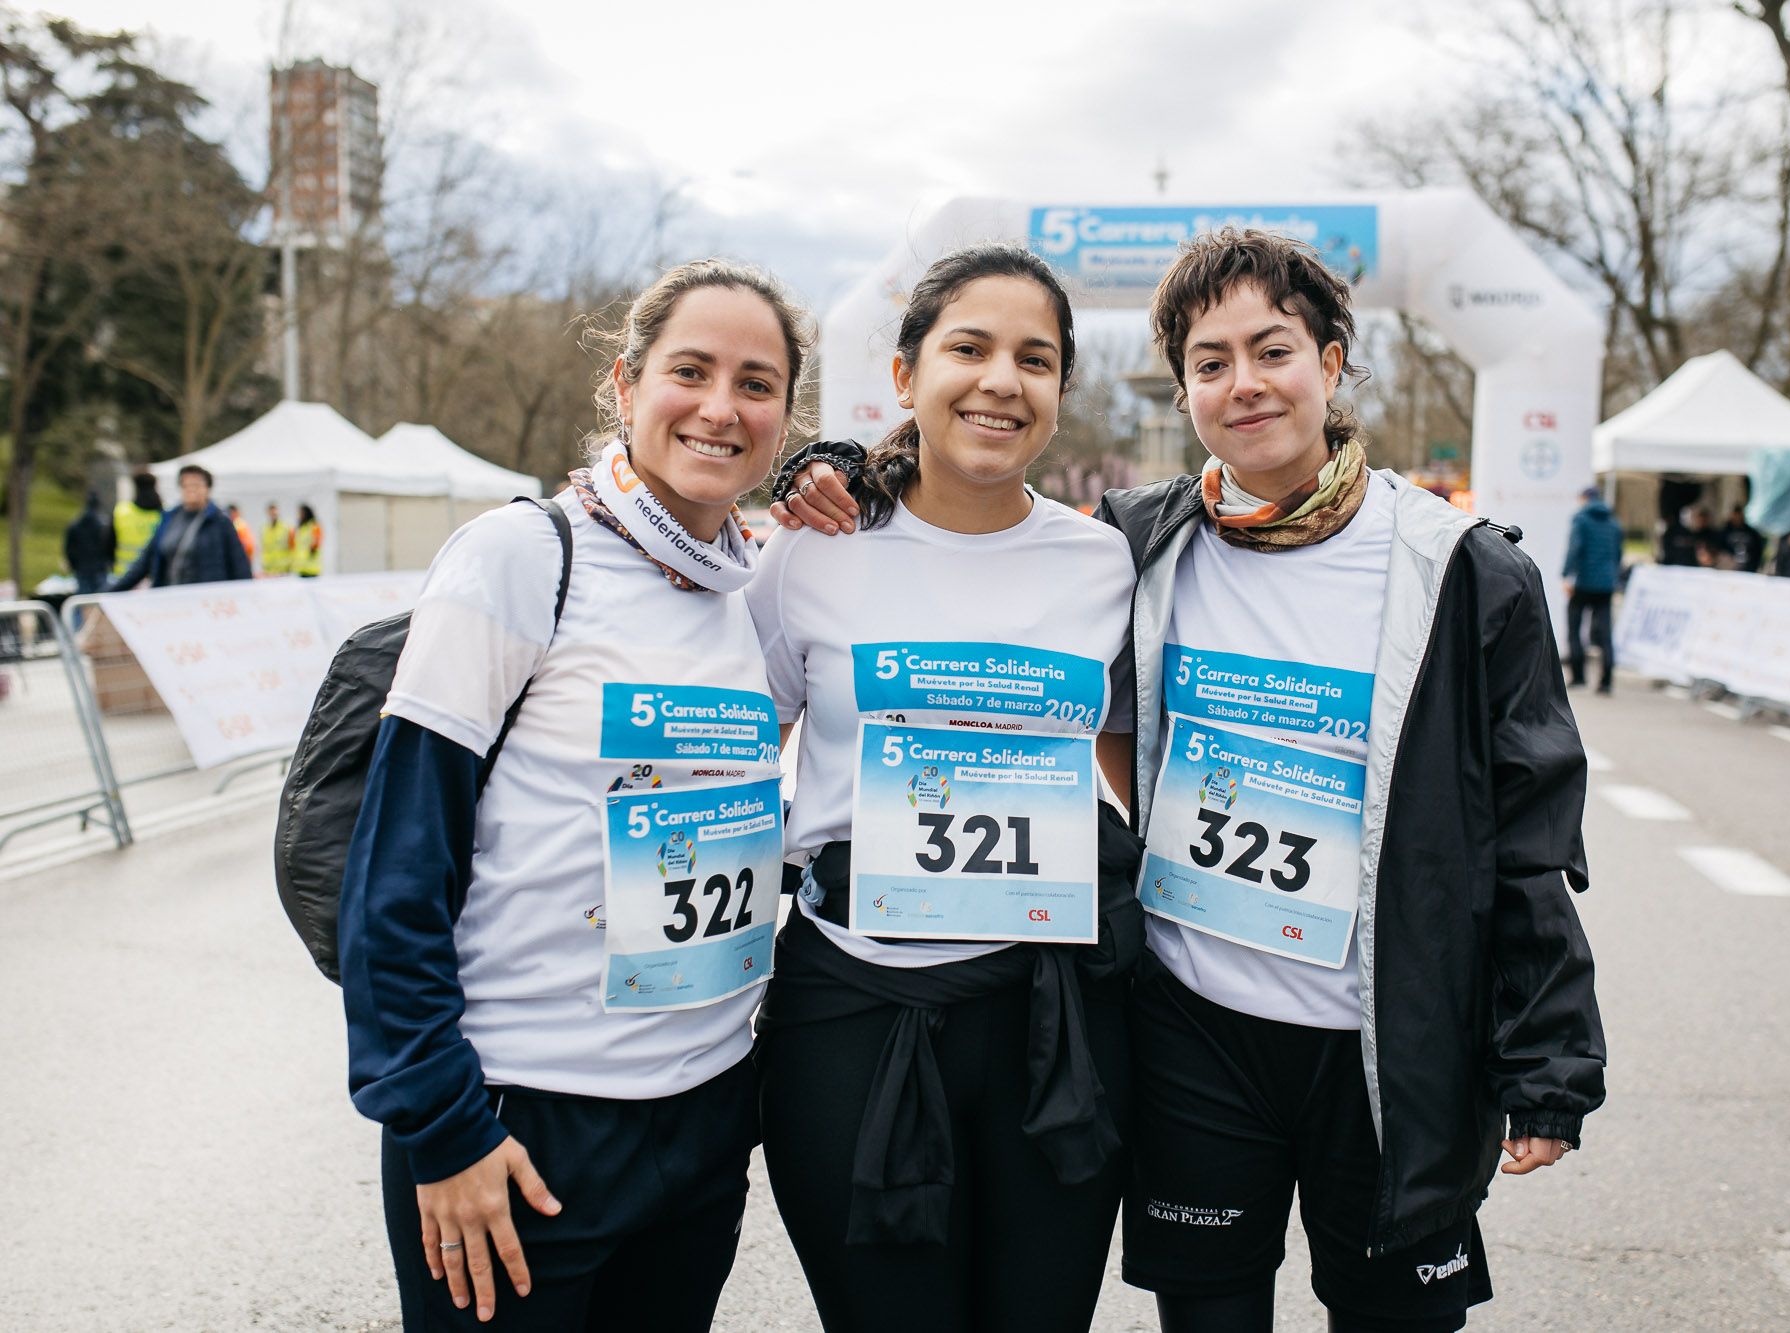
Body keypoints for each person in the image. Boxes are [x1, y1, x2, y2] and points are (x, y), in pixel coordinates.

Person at [777, 228, 1605, 1333]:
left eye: (1272, 352)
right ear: (1182, 390)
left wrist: (1546, 1053)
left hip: (1383, 1038)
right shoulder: (1143, 539)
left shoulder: (1462, 567)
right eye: (1210, 364)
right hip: (1196, 1028)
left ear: (1333, 359)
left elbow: (1530, 826)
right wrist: (827, 465)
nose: (1244, 385)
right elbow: (1098, 716)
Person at [339, 259, 812, 1330]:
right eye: (689, 370)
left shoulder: (751, 590)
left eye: (757, 383)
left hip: (698, 1123)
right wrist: (438, 1127)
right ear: (625, 383)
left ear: (784, 414)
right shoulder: (519, 556)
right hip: (519, 1124)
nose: (720, 407)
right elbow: (394, 871)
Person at [746, 245, 1141, 1332]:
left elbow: (1130, 762)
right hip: (850, 1014)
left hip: (1049, 1026)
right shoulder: (810, 549)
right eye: (967, 348)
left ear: (1061, 390)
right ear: (905, 372)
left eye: (1035, 358)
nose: (999, 381)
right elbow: (728, 749)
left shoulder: (1104, 564)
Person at [109, 465, 252, 590]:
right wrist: (109, 592)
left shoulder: (220, 523)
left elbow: (239, 565)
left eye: (196, 485)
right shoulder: (169, 519)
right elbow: (144, 562)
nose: (191, 490)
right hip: (173, 602)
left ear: (207, 488)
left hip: (208, 603)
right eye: (186, 485)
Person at [1564, 485, 1622, 695]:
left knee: (1574, 628)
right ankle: (1606, 680)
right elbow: (1618, 555)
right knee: (1605, 632)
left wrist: (1567, 575)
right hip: (1606, 584)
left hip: (1583, 582)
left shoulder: (1581, 520)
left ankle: (1579, 676)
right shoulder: (1614, 524)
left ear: (1584, 498)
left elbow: (1574, 549)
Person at [110, 470, 163, 579]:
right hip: (152, 577)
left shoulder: (121, 512)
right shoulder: (163, 515)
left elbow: (108, 544)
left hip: (123, 576)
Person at [63, 492, 114, 595]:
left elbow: (69, 547)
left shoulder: (76, 524)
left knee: (83, 601)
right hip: (100, 568)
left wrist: (73, 564)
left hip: (82, 568)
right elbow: (110, 546)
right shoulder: (103, 524)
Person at [260, 502, 293, 576]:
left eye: (274, 513)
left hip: (283, 570)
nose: (273, 515)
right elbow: (264, 548)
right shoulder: (264, 529)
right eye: (271, 513)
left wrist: (291, 565)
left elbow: (292, 547)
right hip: (269, 570)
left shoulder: (286, 528)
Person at [294, 503, 323, 577]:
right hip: (301, 567)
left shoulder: (314, 526)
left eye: (301, 513)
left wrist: (311, 551)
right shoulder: (301, 528)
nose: (299, 515)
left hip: (312, 568)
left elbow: (316, 542)